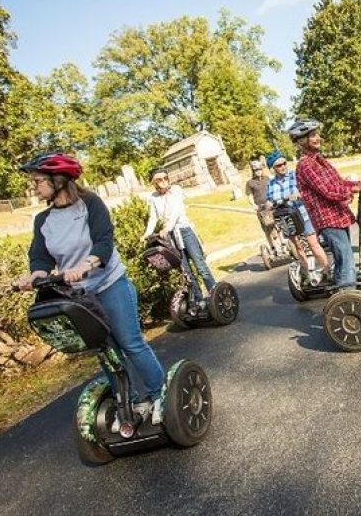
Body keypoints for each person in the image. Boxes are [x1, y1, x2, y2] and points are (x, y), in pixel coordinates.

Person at [13, 153, 165, 425]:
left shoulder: (90, 204)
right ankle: (129, 404)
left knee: (130, 343)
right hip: (80, 296)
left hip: (109, 283)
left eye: (37, 181)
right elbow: (41, 256)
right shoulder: (42, 220)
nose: (33, 187)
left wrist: (86, 264)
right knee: (105, 350)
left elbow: (104, 241)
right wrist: (33, 276)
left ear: (58, 180)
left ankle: (159, 394)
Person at [289, 120, 361, 291]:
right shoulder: (305, 165)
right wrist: (351, 191)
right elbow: (327, 190)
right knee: (345, 259)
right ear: (303, 141)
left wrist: (359, 183)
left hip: (337, 215)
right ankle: (348, 301)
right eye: (312, 135)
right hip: (327, 219)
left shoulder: (320, 161)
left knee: (345, 259)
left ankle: (349, 296)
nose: (317, 138)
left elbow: (338, 182)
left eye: (316, 134)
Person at [142, 166, 216, 307]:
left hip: (185, 231)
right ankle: (199, 301)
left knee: (200, 265)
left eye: (165, 178)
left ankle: (215, 293)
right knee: (185, 271)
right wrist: (146, 234)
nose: (163, 181)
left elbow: (176, 211)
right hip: (170, 237)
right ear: (154, 182)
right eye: (159, 179)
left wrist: (167, 227)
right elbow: (153, 218)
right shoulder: (153, 198)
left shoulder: (175, 190)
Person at [264, 149, 330, 284]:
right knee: (297, 246)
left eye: (284, 163)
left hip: (301, 214)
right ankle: (308, 273)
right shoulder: (271, 183)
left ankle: (327, 270)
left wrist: (298, 194)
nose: (282, 167)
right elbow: (268, 200)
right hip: (285, 218)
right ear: (273, 168)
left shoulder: (295, 175)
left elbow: (305, 191)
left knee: (313, 244)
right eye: (278, 165)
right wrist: (268, 204)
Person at [245, 159, 275, 247]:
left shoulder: (267, 178)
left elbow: (272, 189)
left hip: (271, 206)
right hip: (260, 208)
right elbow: (249, 195)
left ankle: (283, 244)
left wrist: (273, 199)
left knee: (276, 226)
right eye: (256, 170)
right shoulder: (250, 183)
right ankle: (272, 247)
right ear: (253, 171)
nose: (259, 171)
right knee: (267, 228)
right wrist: (253, 205)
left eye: (260, 169)